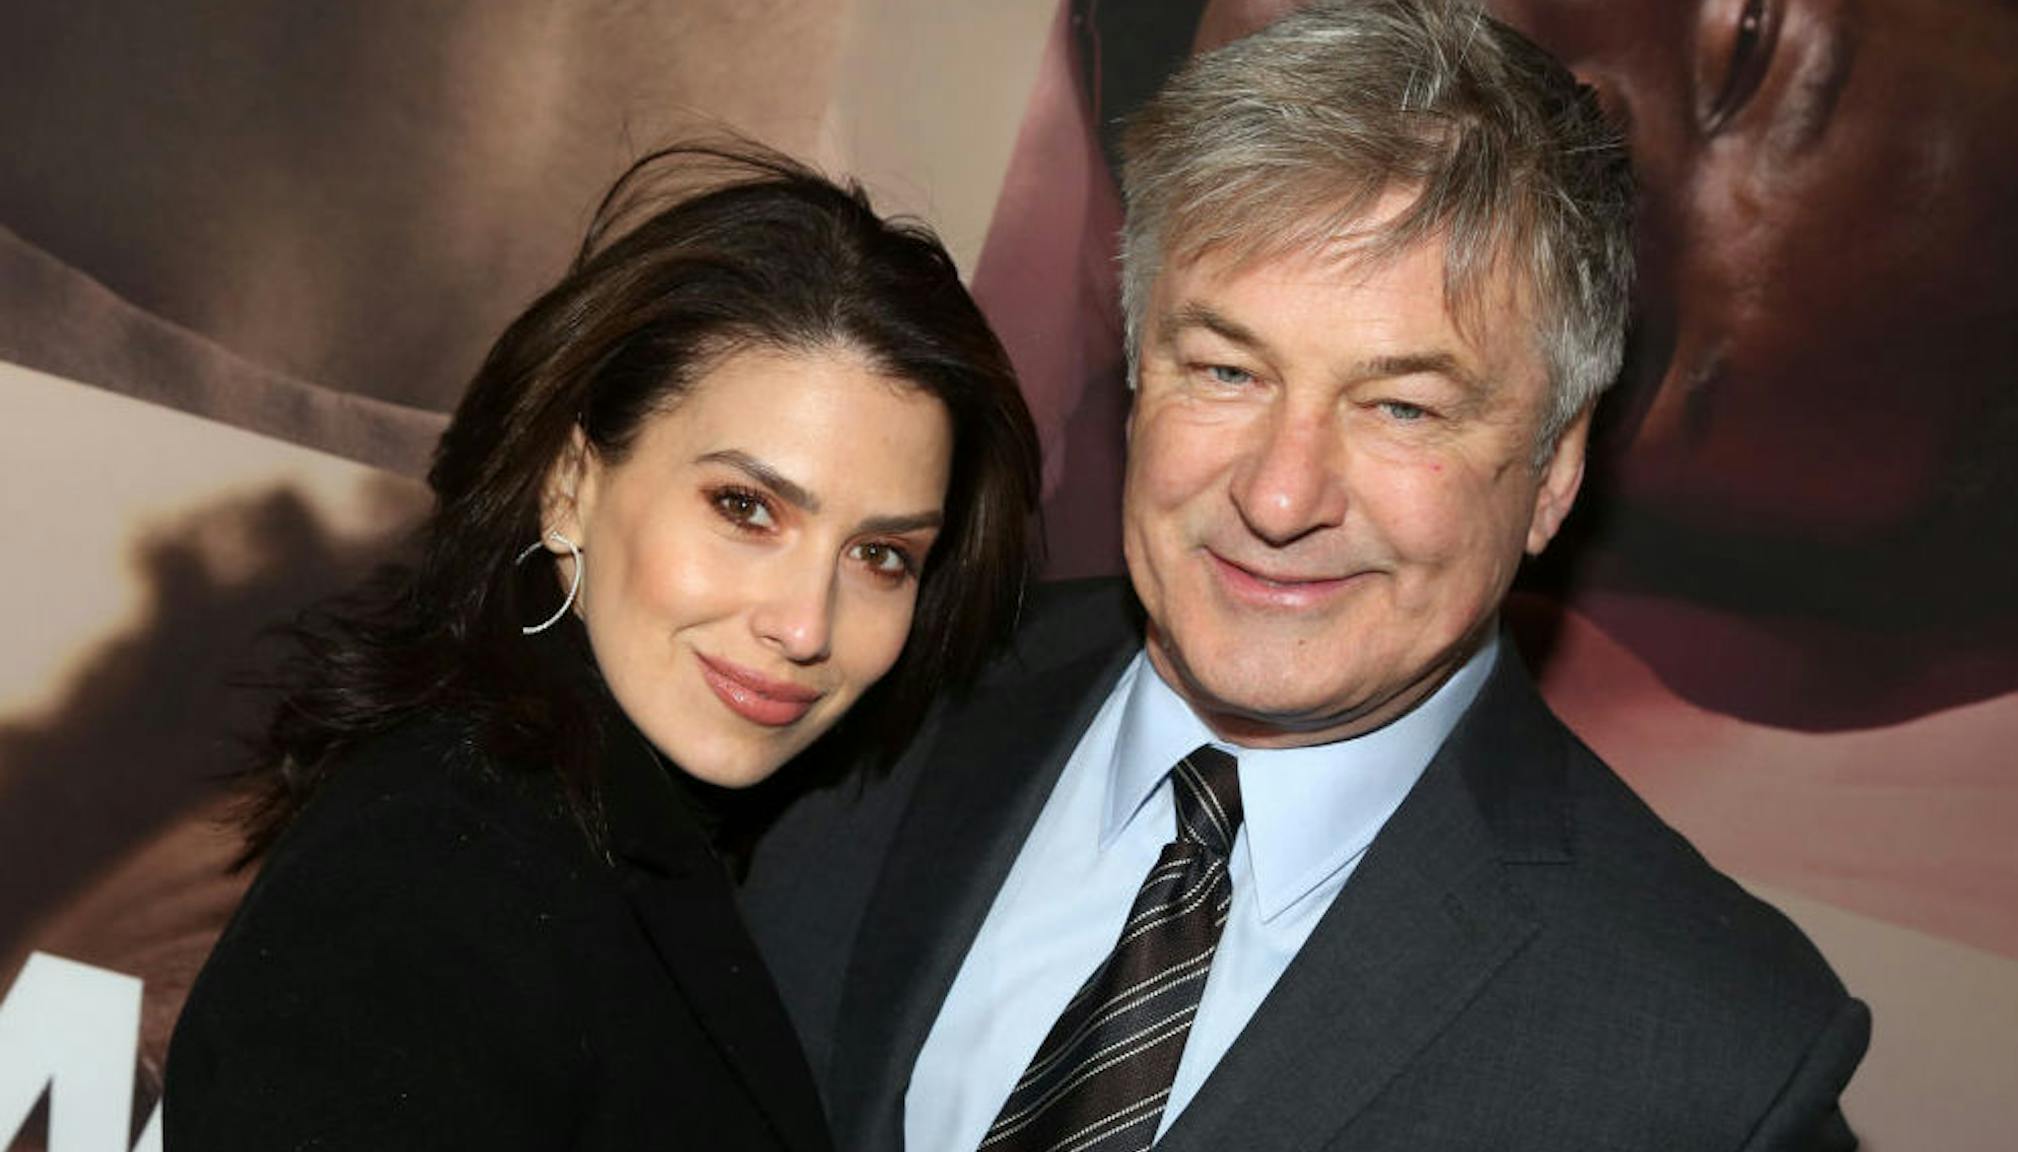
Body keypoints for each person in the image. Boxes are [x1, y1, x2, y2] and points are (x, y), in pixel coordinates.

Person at [740, 3, 1868, 1150]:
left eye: (1400, 407)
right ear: (1136, 371)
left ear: (1550, 472)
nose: (1279, 499)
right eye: (1227, 371)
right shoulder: (858, 687)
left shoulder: (1707, 1060)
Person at [161, 142, 1042, 1151]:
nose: (804, 625)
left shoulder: (634, 834)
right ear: (571, 482)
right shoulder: (434, 869)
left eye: (880, 554)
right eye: (744, 508)